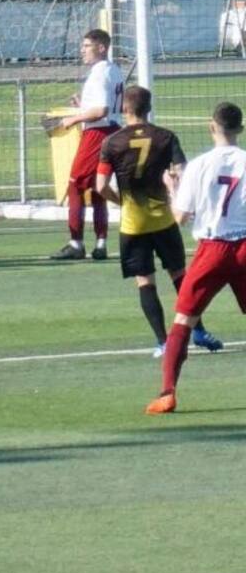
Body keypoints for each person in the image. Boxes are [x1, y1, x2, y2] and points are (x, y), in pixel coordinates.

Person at [95, 87, 222, 357]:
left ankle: (163, 343)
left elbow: (100, 185)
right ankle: (198, 331)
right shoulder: (165, 137)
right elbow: (183, 173)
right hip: (164, 220)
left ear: (125, 109)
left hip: (133, 224)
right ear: (149, 108)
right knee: (180, 276)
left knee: (145, 281)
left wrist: (121, 201)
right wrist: (173, 191)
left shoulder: (112, 142)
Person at [146, 102, 246, 415]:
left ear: (211, 126)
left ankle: (167, 394)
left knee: (183, 322)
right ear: (240, 130)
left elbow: (179, 217)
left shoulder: (199, 165)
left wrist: (172, 188)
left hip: (212, 250)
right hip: (244, 247)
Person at [51, 29, 124, 261]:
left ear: (101, 48)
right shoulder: (114, 70)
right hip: (113, 130)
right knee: (97, 187)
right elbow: (109, 106)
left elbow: (101, 110)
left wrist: (73, 118)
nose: (82, 50)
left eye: (86, 46)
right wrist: (82, 106)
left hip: (98, 134)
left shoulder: (100, 73)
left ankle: (76, 243)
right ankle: (101, 243)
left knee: (75, 185)